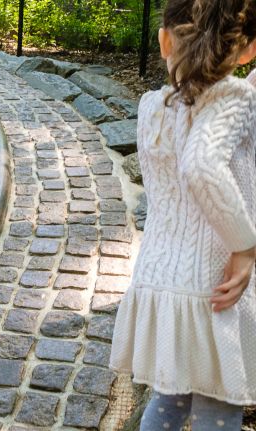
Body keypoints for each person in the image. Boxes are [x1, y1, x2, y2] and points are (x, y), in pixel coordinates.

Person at [109, 0, 256, 429]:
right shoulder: (234, 98)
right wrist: (245, 247)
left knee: (169, 400)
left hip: (161, 280)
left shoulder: (151, 105)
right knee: (219, 406)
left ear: (163, 41)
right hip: (214, 286)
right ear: (247, 51)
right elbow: (202, 165)